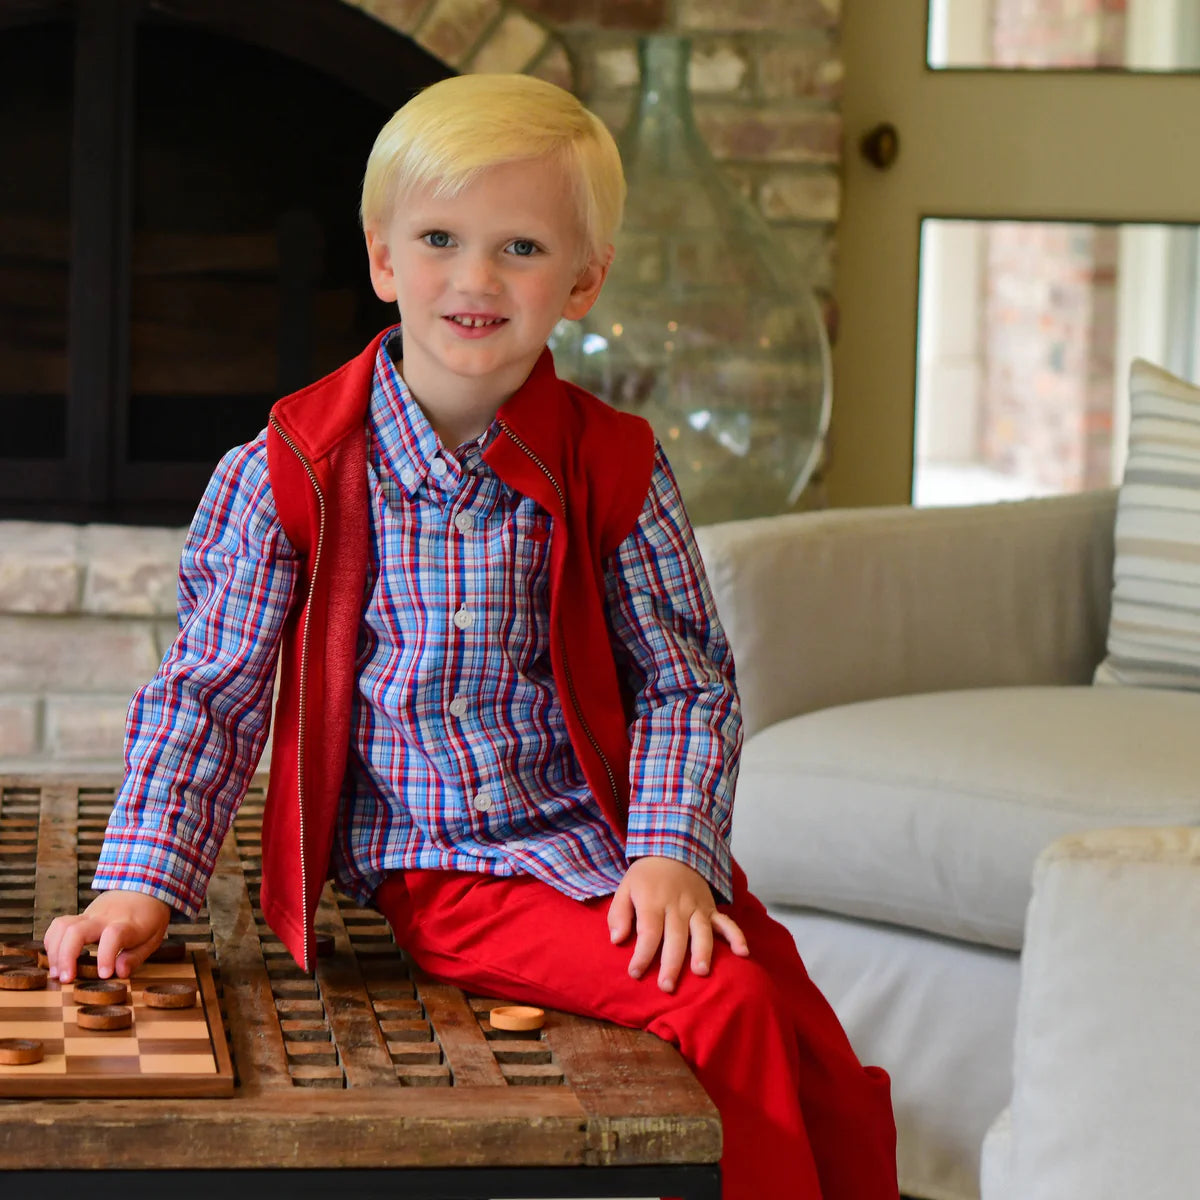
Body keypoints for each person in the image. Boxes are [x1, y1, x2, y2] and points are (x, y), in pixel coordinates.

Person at [43, 73, 897, 1199]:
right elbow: (211, 689)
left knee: (814, 1043)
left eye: (521, 248)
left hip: (607, 833)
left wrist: (669, 854)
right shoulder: (294, 470)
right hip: (449, 863)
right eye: (440, 239)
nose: (476, 279)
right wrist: (139, 883)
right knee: (722, 1002)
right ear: (384, 260)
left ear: (583, 280)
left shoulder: (616, 467)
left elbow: (685, 684)